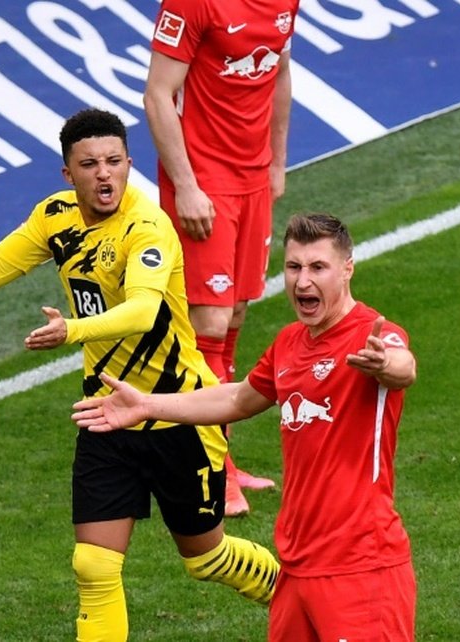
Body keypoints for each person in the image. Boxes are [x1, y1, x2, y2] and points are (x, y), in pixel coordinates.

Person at [0, 109, 278, 641]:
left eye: (114, 162)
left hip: (180, 416)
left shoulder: (147, 227)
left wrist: (72, 332)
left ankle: (307, 593)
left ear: (130, 164)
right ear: (69, 173)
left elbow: (142, 311)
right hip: (107, 414)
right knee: (93, 567)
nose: (104, 174)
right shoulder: (56, 216)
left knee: (207, 561)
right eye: (89, 164)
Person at [74, 213, 417, 641]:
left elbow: (402, 366)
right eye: (294, 267)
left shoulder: (372, 336)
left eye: (317, 268)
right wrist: (146, 405)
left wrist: (387, 364)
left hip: (361, 566)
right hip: (296, 564)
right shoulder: (290, 342)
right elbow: (237, 398)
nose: (302, 281)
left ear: (347, 269)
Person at [142, 0, 301, 515]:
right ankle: (207, 471)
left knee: (234, 314)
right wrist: (185, 186)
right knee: (207, 322)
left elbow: (278, 70)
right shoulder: (193, 3)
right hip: (203, 178)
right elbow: (158, 94)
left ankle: (223, 459)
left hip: (253, 176)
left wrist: (277, 159)